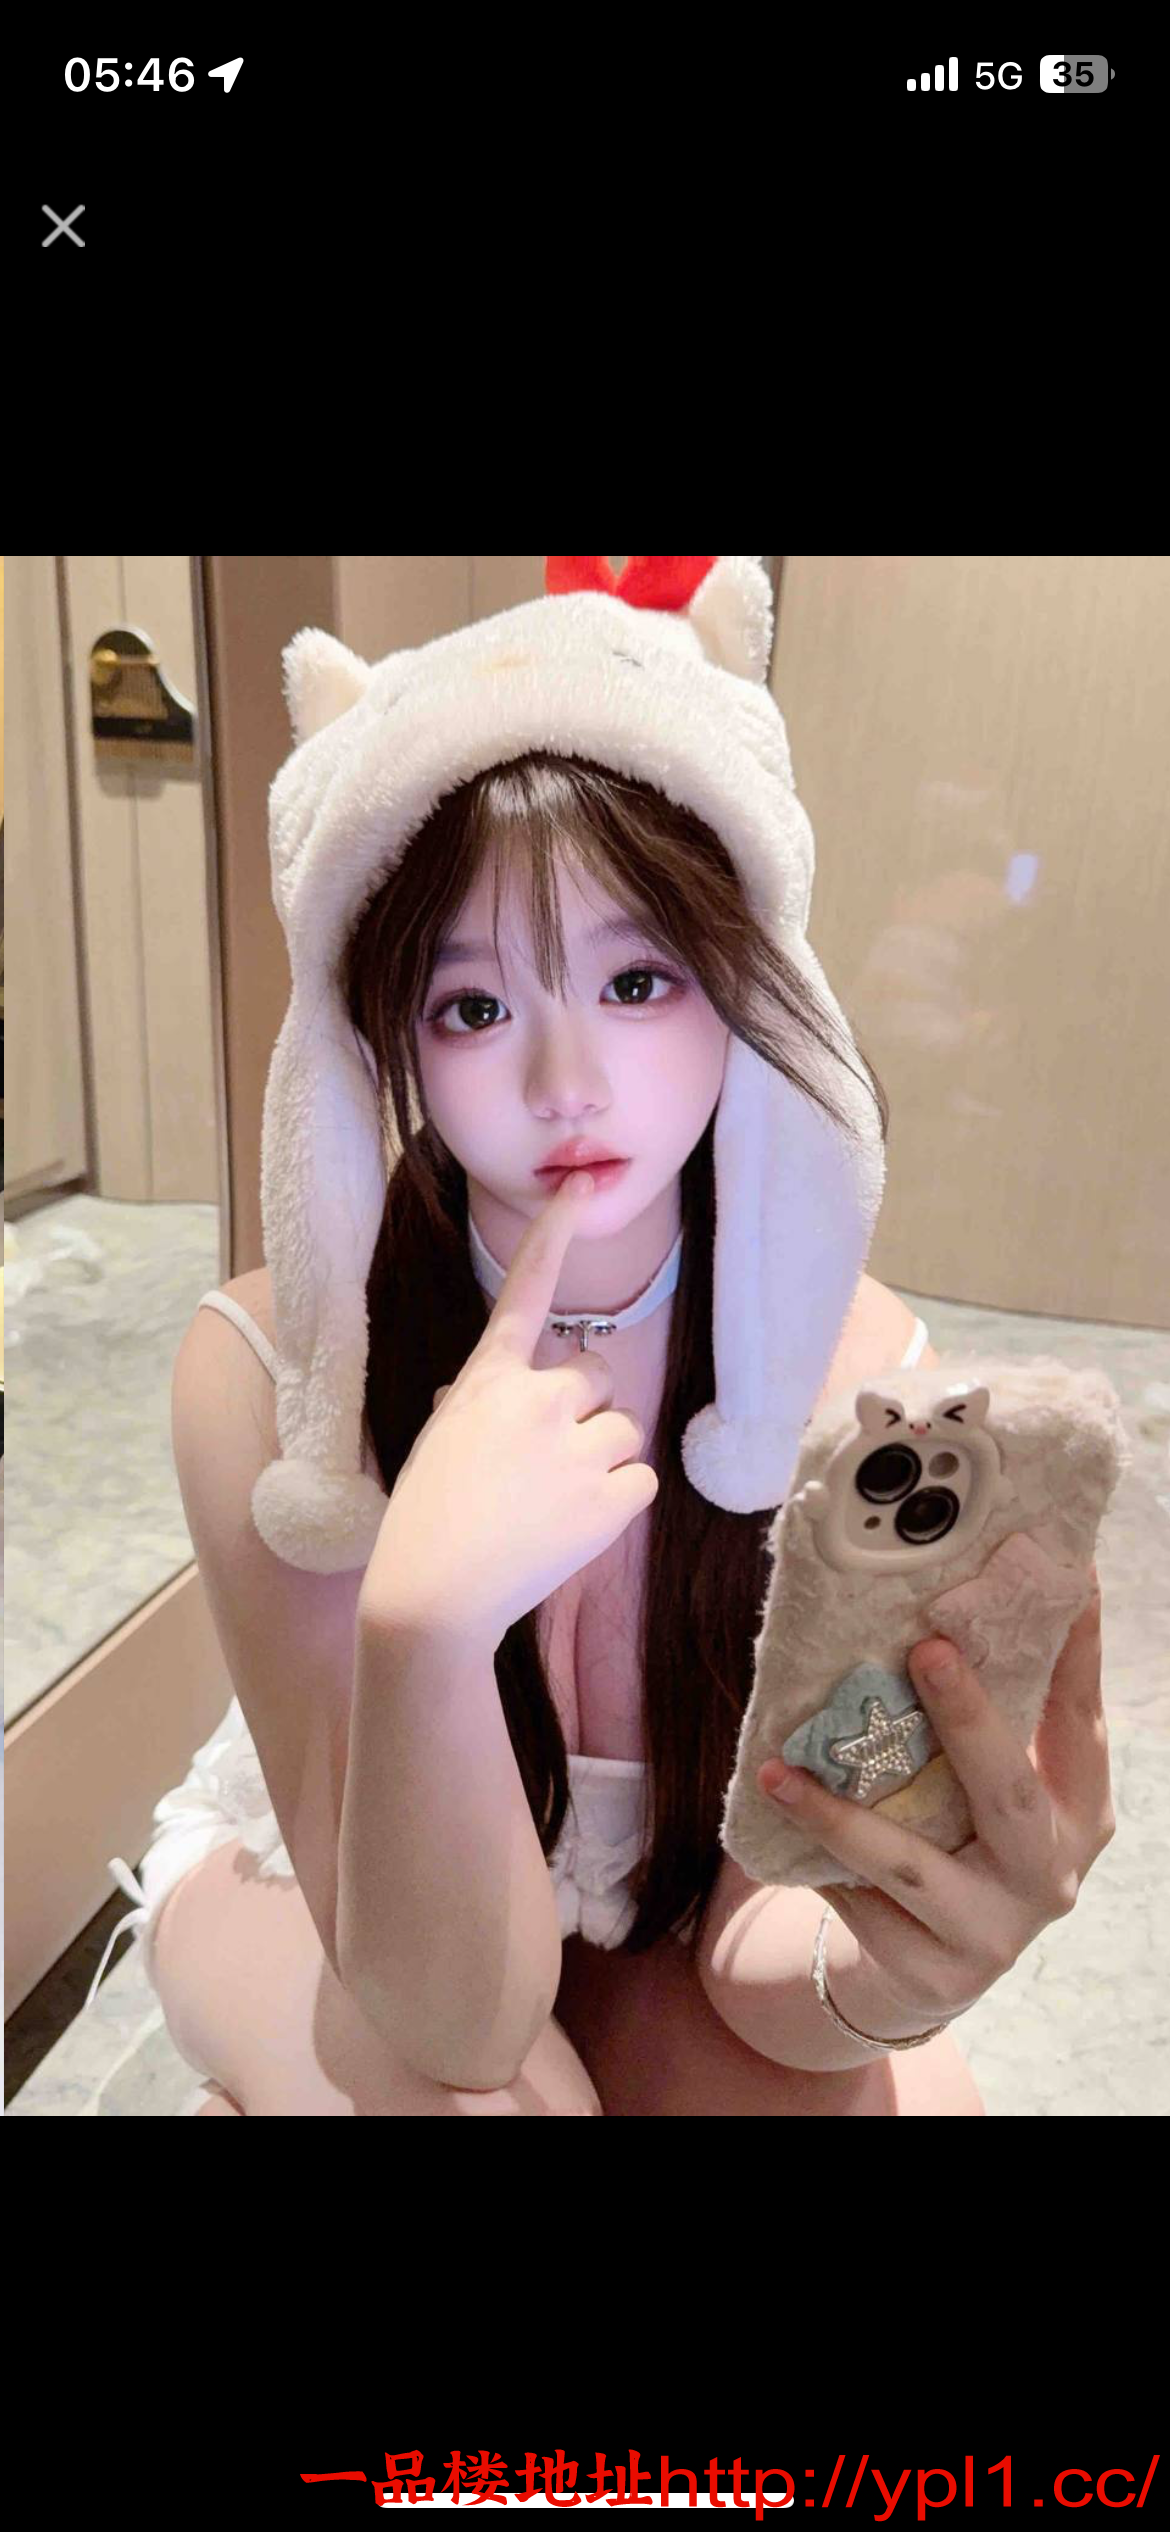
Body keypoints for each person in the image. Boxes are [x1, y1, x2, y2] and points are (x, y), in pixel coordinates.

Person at [83, 558, 1111, 2113]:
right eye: (472, 1007)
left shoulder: (855, 1381)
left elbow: (766, 1946)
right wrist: (420, 1631)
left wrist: (905, 1963)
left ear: (744, 971)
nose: (565, 1081)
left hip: (672, 1903)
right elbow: (448, 2024)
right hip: (346, 1902)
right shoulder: (277, 1370)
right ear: (377, 1030)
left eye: (637, 980)